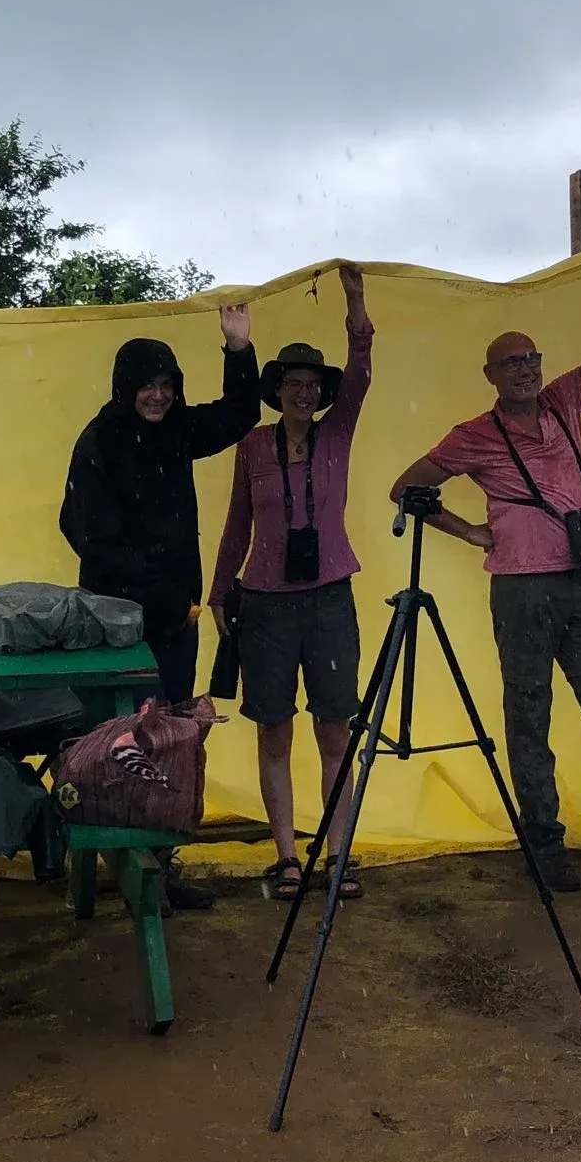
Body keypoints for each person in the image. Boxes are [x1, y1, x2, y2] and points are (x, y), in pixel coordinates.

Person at [390, 233, 581, 891]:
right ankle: (544, 844)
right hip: (520, 590)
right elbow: (406, 489)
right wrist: (469, 531)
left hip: (579, 579)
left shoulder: (564, 400)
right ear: (491, 376)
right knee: (530, 716)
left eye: (531, 358)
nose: (525, 369)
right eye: (511, 362)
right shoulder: (474, 435)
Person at [60, 303, 259, 906]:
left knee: (168, 737)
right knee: (117, 739)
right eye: (147, 384)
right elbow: (91, 538)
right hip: (119, 624)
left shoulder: (176, 431)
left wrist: (238, 349)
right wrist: (159, 597)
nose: (158, 395)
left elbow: (240, 415)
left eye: (167, 384)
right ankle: (103, 866)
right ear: (125, 386)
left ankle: (157, 873)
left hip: (175, 621)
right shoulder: (99, 443)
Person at [209, 263, 373, 902]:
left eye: (312, 384)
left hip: (330, 597)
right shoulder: (252, 445)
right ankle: (285, 856)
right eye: (292, 383)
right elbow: (236, 522)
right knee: (273, 730)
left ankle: (338, 855)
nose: (303, 393)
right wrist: (219, 591)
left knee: (335, 729)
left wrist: (355, 299)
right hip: (266, 605)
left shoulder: (339, 432)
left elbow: (361, 370)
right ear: (276, 389)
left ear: (322, 392)